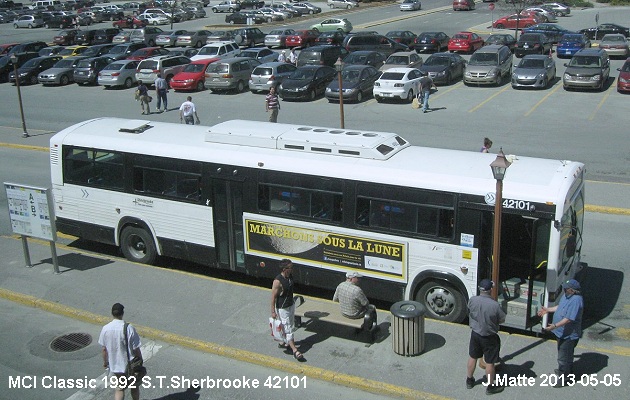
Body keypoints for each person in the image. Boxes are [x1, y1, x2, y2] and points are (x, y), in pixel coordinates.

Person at [538, 279, 583, 386]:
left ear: (572, 290)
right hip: (561, 333)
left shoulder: (576, 300)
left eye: (566, 288)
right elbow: (560, 307)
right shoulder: (566, 296)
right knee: (565, 355)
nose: (564, 290)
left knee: (564, 357)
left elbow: (568, 319)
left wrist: (554, 326)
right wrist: (548, 310)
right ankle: (566, 371)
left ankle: (565, 378)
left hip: (568, 335)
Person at [466, 279, 506, 395]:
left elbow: (469, 311)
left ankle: (469, 380)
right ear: (490, 290)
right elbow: (502, 319)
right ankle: (490, 386)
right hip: (489, 337)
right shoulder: (494, 305)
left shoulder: (473, 300)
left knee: (472, 357)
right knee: (490, 362)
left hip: (475, 334)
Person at [98, 303, 143, 400]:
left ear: (112, 313)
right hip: (130, 365)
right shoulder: (129, 328)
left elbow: (104, 349)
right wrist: (140, 360)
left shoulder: (105, 329)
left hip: (115, 366)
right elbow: (136, 348)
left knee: (119, 389)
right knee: (134, 386)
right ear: (122, 313)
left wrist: (105, 363)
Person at [270, 259, 304, 361]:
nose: (292, 269)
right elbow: (273, 297)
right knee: (288, 328)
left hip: (291, 305)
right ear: (285, 269)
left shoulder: (290, 276)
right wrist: (273, 312)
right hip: (283, 308)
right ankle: (294, 350)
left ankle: (283, 342)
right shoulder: (278, 281)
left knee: (290, 325)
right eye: (291, 267)